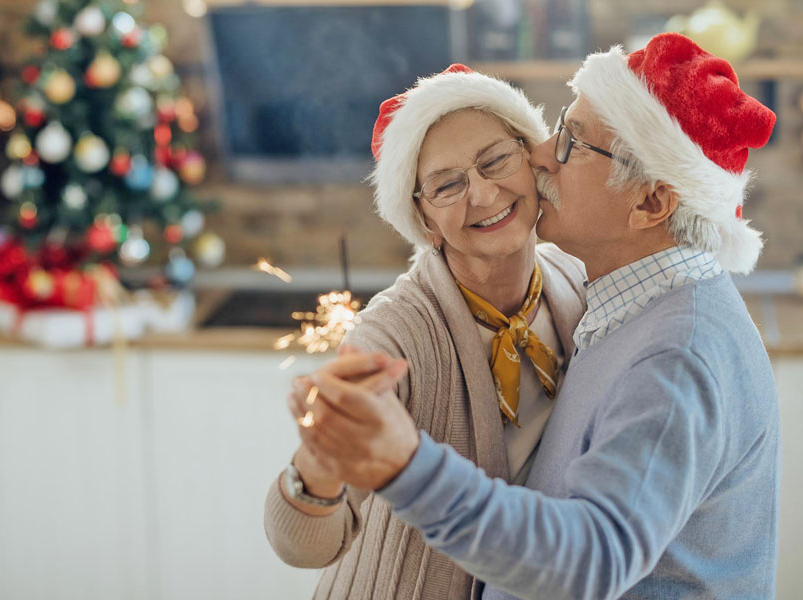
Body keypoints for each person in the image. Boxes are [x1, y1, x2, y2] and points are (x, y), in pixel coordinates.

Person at [290, 33, 780, 599]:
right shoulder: (620, 304)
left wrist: (407, 465)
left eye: (573, 141)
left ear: (649, 204)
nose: (542, 154)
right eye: (447, 185)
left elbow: (594, 558)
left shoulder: (674, 355)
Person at [264, 65, 587, 598]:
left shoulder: (575, 280)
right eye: (447, 184)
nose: (483, 195)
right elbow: (303, 545)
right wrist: (317, 465)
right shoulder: (392, 333)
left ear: (532, 158)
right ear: (422, 218)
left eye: (496, 160)